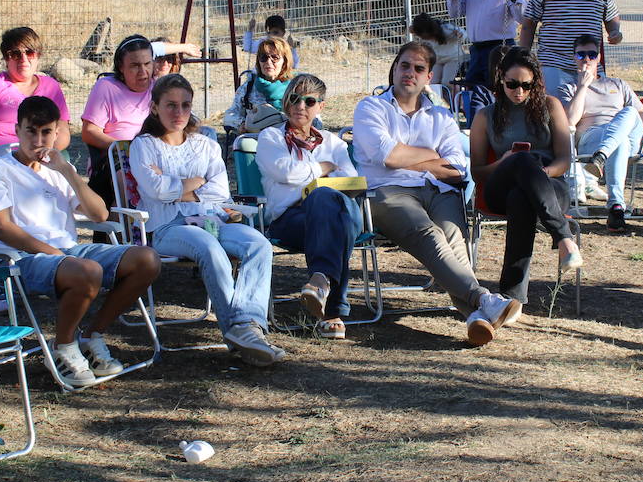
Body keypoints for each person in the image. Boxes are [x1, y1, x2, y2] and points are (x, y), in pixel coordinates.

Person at [0, 96, 161, 388]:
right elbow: (1, 228)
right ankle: (63, 346)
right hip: (17, 259)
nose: (38, 140)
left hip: (67, 252)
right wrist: (53, 253)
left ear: (56, 133)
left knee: (146, 259)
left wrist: (68, 172)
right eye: (31, 131)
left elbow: (99, 214)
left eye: (46, 132)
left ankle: (91, 336)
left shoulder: (55, 172)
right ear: (17, 129)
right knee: (88, 270)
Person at [352, 40, 521, 345]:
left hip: (439, 190)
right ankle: (482, 297)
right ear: (395, 68)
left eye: (419, 68)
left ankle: (476, 317)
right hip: (387, 193)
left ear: (429, 77)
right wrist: (431, 155)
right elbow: (387, 156)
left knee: (452, 236)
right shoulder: (371, 107)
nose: (410, 73)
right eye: (404, 65)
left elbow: (457, 170)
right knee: (429, 234)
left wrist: (414, 159)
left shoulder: (441, 117)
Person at [130, 74, 285, 367]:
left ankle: (248, 325)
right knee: (209, 248)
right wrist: (196, 182)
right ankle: (238, 330)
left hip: (211, 220)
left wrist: (180, 187)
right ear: (154, 108)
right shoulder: (144, 145)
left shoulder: (205, 145)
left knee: (258, 244)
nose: (178, 113)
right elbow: (156, 190)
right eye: (171, 105)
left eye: (185, 106)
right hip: (166, 227)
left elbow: (218, 192)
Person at [469, 48, 582, 304]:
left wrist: (541, 175)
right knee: (520, 159)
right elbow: (477, 171)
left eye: (526, 85)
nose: (518, 92)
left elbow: (565, 159)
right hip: (500, 183)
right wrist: (504, 162)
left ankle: (512, 297)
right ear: (500, 79)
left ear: (536, 82)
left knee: (523, 197)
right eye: (511, 84)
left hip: (549, 183)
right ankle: (563, 237)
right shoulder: (486, 115)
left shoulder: (550, 106)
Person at [256, 74, 361, 340]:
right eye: (294, 98)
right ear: (285, 101)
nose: (300, 106)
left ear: (320, 106)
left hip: (340, 211)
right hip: (290, 220)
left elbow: (349, 180)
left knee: (324, 200)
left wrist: (314, 186)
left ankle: (321, 281)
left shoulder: (333, 142)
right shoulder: (271, 137)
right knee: (334, 216)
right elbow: (285, 171)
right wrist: (322, 169)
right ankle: (332, 308)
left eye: (309, 100)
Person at [560, 34, 643, 233]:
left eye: (592, 54)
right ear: (574, 57)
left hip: (609, 146)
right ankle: (616, 207)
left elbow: (640, 113)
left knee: (629, 112)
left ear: (599, 57)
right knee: (620, 142)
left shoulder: (618, 84)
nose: (586, 59)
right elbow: (570, 121)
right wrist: (583, 85)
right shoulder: (569, 87)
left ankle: (602, 155)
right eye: (581, 54)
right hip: (590, 140)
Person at [81, 34, 203, 202]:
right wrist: (130, 148)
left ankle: (206, 207)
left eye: (147, 64)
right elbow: (89, 132)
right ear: (121, 67)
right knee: (130, 175)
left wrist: (184, 47)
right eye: (135, 66)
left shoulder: (157, 88)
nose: (143, 72)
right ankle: (132, 224)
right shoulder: (106, 87)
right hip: (119, 157)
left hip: (158, 153)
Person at [0, 26, 71, 153]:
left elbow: (63, 130)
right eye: (15, 54)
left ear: (38, 55)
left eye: (30, 52)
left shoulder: (51, 87)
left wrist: (48, 153)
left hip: (38, 159)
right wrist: (4, 159)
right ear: (6, 58)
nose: (23, 59)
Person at [447, 0, 523, 91]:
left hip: (501, 47)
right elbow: (455, 13)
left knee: (497, 92)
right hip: (477, 49)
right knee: (473, 91)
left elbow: (521, 18)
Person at [222, 36, 296, 136]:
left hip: (287, 138)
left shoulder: (295, 88)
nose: (268, 62)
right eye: (263, 58)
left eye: (275, 57)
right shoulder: (248, 88)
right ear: (258, 62)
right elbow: (230, 115)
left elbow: (313, 117)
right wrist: (242, 123)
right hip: (255, 138)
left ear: (285, 62)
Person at [410, 12, 468, 87]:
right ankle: (438, 97)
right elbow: (412, 30)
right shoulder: (421, 32)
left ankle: (455, 97)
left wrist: (461, 35)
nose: (423, 38)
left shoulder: (446, 29)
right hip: (438, 60)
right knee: (434, 83)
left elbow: (464, 33)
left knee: (447, 82)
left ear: (429, 31)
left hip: (453, 58)